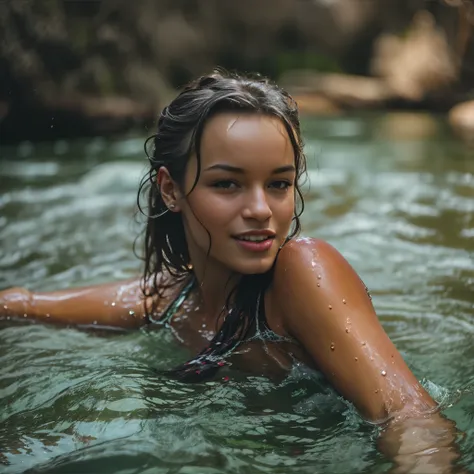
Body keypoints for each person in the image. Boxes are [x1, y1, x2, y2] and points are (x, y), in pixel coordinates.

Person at [0, 71, 463, 472]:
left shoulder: (304, 272)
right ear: (171, 189)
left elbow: (413, 422)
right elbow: (26, 305)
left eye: (279, 184)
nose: (261, 209)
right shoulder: (175, 300)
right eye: (228, 184)